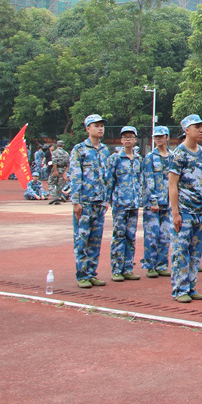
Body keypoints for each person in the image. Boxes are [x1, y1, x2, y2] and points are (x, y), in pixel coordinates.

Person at [169, 114, 202, 303]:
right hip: (185, 211)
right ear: (186, 130)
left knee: (196, 252)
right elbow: (172, 184)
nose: (201, 130)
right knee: (181, 251)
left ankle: (191, 286)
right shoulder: (179, 154)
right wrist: (175, 212)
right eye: (197, 127)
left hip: (198, 211)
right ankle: (180, 289)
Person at [69, 115, 111, 288]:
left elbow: (107, 176)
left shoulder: (104, 150)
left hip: (99, 202)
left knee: (95, 239)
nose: (100, 129)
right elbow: (75, 176)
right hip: (85, 202)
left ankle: (92, 272)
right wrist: (76, 201)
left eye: (102, 126)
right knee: (82, 239)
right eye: (96, 126)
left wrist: (107, 199)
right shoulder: (79, 149)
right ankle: (82, 274)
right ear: (88, 128)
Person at [105, 126, 145, 282]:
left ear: (135, 140)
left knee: (131, 236)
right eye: (125, 137)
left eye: (131, 136)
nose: (128, 139)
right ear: (121, 140)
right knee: (118, 236)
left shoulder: (138, 159)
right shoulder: (114, 159)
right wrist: (107, 201)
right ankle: (116, 269)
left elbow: (140, 180)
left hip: (134, 204)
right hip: (120, 203)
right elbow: (109, 181)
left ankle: (128, 268)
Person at [143, 126, 173, 277]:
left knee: (165, 234)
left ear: (167, 137)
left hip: (168, 202)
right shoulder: (150, 157)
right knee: (152, 234)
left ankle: (162, 264)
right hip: (153, 203)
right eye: (156, 137)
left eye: (161, 136)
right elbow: (148, 180)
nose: (158, 139)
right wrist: (152, 200)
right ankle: (150, 265)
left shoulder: (173, 156)